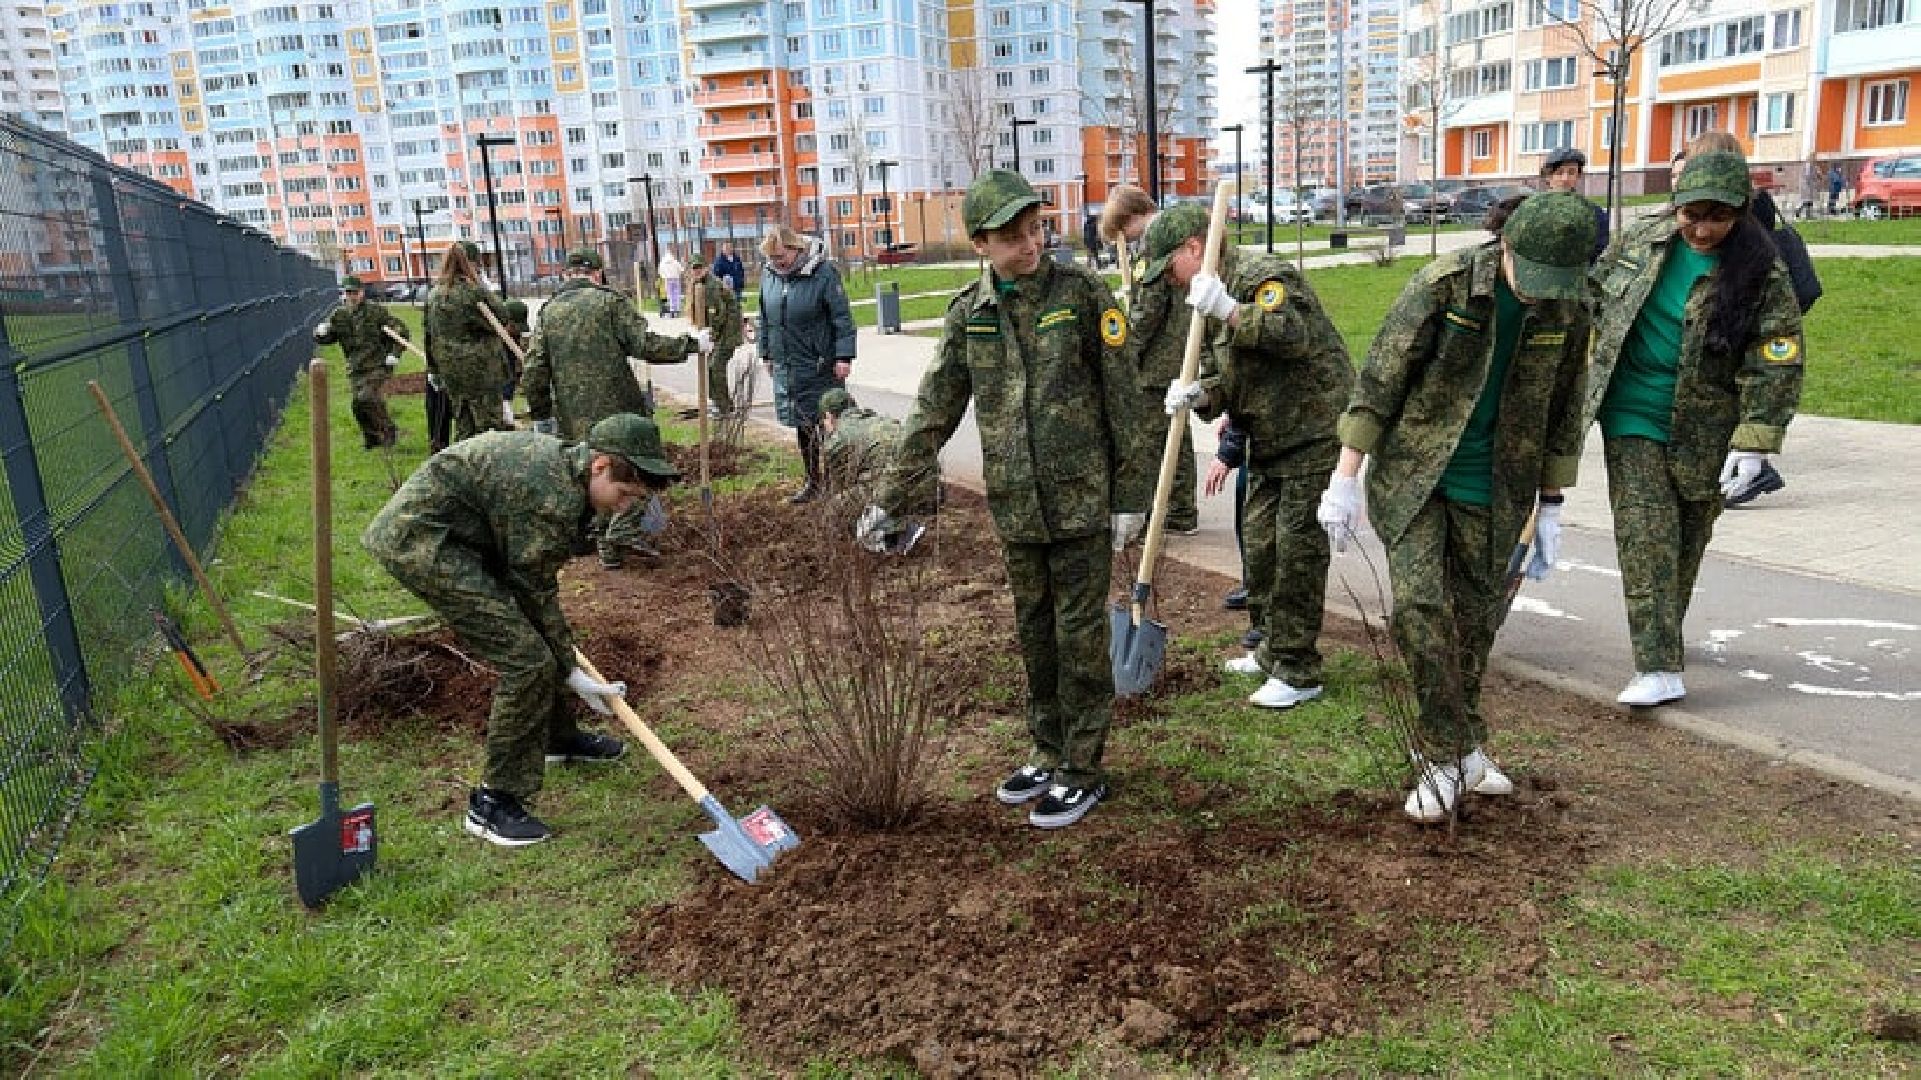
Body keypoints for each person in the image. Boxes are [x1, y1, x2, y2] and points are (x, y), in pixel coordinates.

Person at [859, 170, 1150, 829]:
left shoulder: (1078, 295)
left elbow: (1125, 402)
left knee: (1078, 637)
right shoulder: (971, 314)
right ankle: (1047, 751)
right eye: (1013, 237)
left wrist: (1128, 496)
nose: (1030, 244)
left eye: (1035, 230)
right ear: (980, 244)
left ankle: (1082, 767)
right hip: (1018, 507)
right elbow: (931, 412)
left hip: (1079, 503)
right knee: (1034, 634)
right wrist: (891, 500)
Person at [1318, 192, 1596, 823]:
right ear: (1507, 248)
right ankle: (1443, 755)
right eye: (1532, 277)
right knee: (1419, 609)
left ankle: (1464, 750)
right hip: (1419, 479)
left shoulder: (1570, 306)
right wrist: (1345, 478)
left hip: (1498, 489)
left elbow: (1565, 408)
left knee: (1476, 623)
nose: (1538, 294)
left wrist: (1552, 506)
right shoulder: (1443, 287)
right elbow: (1380, 380)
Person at [362, 414, 681, 846]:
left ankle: (557, 739)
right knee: (526, 661)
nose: (623, 507)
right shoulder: (549, 496)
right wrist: (568, 668)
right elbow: (533, 589)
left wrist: (566, 665)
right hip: (422, 541)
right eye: (623, 494)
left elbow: (531, 584)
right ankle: (492, 803)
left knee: (536, 646)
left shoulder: (569, 475)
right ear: (600, 465)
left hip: (471, 535)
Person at [1585, 149, 1804, 709]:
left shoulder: (1763, 271)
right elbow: (1591, 298)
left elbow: (1775, 359)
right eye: (1692, 215)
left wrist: (1755, 440)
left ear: (1741, 212)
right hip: (1631, 412)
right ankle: (1657, 666)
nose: (1702, 230)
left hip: (1706, 427)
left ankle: (1663, 636)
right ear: (1675, 205)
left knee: (1685, 540)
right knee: (1646, 536)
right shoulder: (1641, 242)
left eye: (1718, 217)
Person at [1151, 203, 1355, 711]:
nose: (1170, 282)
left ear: (1193, 249)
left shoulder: (1262, 276)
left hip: (1311, 433)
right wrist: (1201, 394)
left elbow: (1291, 335)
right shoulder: (1207, 299)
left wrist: (1231, 311)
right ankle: (1269, 648)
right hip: (1268, 438)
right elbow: (1234, 376)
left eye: (1170, 266)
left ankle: (1299, 668)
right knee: (1261, 548)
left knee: (1296, 554)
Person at [522, 248, 706, 569]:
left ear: (567, 274)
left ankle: (600, 542)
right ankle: (619, 535)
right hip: (618, 413)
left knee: (592, 479)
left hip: (573, 416)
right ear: (597, 273)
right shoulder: (610, 302)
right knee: (633, 472)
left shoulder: (549, 311)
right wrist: (691, 344)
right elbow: (644, 344)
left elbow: (535, 369)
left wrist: (541, 414)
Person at [1102, 184, 1199, 536]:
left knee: (1155, 435)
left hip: (1157, 357)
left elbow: (1149, 311)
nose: (1123, 240)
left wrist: (1126, 348)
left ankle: (1172, 510)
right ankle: (1183, 508)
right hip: (1175, 350)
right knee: (1176, 431)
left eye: (1121, 231)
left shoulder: (1155, 245)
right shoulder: (1169, 234)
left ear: (1132, 217)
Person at [758, 224, 857, 503]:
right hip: (789, 365)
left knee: (829, 425)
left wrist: (843, 356)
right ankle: (813, 483)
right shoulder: (770, 275)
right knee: (803, 426)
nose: (777, 263)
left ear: (795, 248)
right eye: (772, 258)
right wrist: (766, 352)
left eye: (781, 257)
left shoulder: (823, 273)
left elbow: (842, 318)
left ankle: (841, 485)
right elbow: (765, 317)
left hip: (820, 364)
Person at [818, 388, 937, 549]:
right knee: (880, 482)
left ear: (829, 416)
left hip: (898, 492)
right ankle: (900, 521)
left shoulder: (837, 440)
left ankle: (894, 537)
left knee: (836, 508)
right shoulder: (881, 420)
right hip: (931, 489)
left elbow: (840, 487)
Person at [424, 241, 514, 444]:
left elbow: (429, 335)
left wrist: (434, 369)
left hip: (451, 371)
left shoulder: (435, 295)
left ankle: (465, 467)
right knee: (489, 425)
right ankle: (490, 469)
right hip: (481, 370)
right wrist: (486, 289)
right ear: (473, 264)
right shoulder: (472, 292)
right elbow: (501, 317)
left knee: (464, 422)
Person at [313, 275, 406, 449]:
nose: (351, 296)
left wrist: (395, 354)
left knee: (367, 397)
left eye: (355, 292)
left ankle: (388, 431)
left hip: (377, 365)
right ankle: (371, 438)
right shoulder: (339, 315)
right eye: (348, 293)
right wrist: (320, 333)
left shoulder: (376, 312)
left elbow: (401, 332)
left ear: (362, 293)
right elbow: (328, 338)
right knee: (358, 406)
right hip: (356, 369)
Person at [687, 254, 743, 417]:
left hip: (727, 332)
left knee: (715, 367)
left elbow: (717, 314)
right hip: (720, 332)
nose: (696, 271)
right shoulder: (699, 284)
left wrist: (712, 336)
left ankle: (725, 408)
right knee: (710, 366)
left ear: (706, 267)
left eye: (699, 267)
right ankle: (718, 403)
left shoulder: (711, 286)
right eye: (694, 268)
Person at [1539, 147, 1609, 261]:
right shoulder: (1533, 210)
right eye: (1559, 173)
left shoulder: (1594, 213)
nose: (1565, 179)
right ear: (1548, 176)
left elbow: (1600, 250)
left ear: (1578, 176)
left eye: (1571, 172)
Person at [502, 298, 530, 425]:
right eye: (515, 326)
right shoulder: (491, 342)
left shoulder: (515, 338)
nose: (518, 331)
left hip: (508, 389)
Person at [658, 249, 685, 317]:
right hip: (676, 279)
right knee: (676, 294)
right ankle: (677, 309)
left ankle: (672, 309)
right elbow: (681, 270)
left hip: (667, 280)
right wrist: (678, 273)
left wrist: (664, 276)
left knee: (669, 295)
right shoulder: (675, 262)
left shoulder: (662, 263)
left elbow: (660, 272)